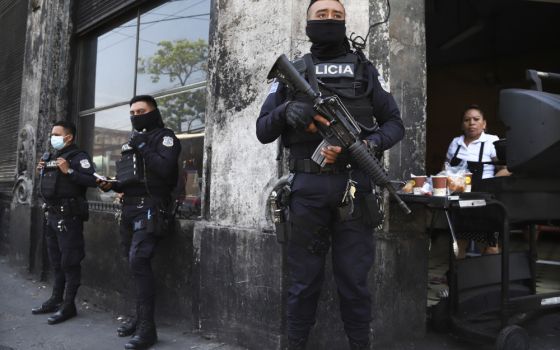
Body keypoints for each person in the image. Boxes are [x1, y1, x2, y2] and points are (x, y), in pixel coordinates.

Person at [256, 1, 405, 349]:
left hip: (356, 187)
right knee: (303, 281)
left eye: (337, 16)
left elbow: (395, 124)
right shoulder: (291, 72)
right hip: (307, 188)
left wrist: (370, 144)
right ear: (308, 22)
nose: (329, 20)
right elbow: (263, 129)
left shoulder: (366, 70)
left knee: (354, 281)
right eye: (321, 15)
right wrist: (287, 110)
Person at [97, 95, 181, 350]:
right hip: (130, 208)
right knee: (133, 265)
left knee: (139, 261)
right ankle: (139, 318)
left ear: (154, 112)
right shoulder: (132, 142)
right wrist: (112, 185)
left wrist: (143, 145)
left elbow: (165, 171)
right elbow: (132, 177)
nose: (135, 115)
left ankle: (148, 329)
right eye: (132, 112)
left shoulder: (165, 137)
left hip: (151, 208)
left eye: (141, 111)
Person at [33, 120, 97, 324]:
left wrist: (69, 170)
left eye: (56, 134)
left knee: (70, 261)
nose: (53, 137)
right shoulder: (52, 156)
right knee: (56, 261)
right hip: (51, 215)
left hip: (69, 217)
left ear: (68, 137)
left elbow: (91, 180)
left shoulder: (79, 157)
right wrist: (42, 171)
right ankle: (55, 299)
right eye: (52, 134)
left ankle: (69, 305)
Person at [444, 105, 509, 257]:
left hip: (485, 200)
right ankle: (457, 277)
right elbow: (446, 168)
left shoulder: (491, 141)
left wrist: (491, 183)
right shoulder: (456, 143)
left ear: (484, 124)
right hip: (460, 199)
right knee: (459, 241)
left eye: (476, 119)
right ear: (462, 125)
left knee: (491, 244)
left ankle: (488, 278)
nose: (471, 123)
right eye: (467, 120)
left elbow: (506, 169)